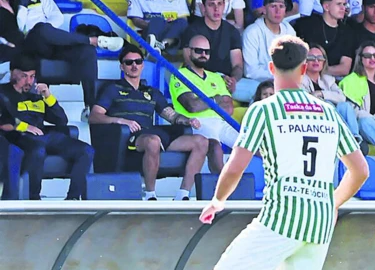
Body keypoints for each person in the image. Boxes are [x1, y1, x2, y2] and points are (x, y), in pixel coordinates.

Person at [177, 35, 367, 270]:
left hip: (282, 214)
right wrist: (330, 204)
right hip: (318, 222)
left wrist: (218, 200)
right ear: (304, 69)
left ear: (270, 69)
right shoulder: (327, 111)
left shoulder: (264, 110)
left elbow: (235, 166)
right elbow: (360, 170)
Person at [91, 43, 207, 201]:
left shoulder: (151, 92)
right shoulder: (112, 88)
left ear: (143, 65)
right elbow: (95, 116)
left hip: (153, 132)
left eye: (138, 62)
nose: (134, 66)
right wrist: (119, 120)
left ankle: (183, 194)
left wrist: (187, 120)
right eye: (129, 62)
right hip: (127, 137)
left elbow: (171, 115)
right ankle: (150, 194)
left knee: (201, 141)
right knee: (153, 141)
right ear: (121, 67)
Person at [0, 0, 118, 111]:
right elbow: (20, 29)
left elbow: (57, 16)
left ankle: (90, 106)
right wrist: (20, 0)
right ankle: (91, 39)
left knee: (87, 52)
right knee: (40, 29)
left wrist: (48, 32)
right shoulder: (5, 3)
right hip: (28, 44)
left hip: (51, 39)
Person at [0, 55, 93, 200]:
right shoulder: (3, 92)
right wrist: (24, 126)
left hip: (44, 135)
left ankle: (72, 199)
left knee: (86, 150)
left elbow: (61, 120)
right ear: (13, 73)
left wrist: (48, 96)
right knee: (38, 149)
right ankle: (34, 199)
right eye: (24, 76)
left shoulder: (37, 95)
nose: (29, 81)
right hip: (18, 137)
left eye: (32, 76)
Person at [169, 33, 240, 172]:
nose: (203, 54)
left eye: (206, 52)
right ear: (189, 51)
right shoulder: (180, 74)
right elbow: (192, 106)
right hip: (195, 123)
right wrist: (216, 99)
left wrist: (204, 101)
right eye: (198, 51)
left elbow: (229, 108)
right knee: (215, 148)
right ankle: (222, 190)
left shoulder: (217, 77)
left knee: (251, 145)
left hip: (220, 122)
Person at [185, 0, 254, 102]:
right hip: (203, 81)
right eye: (211, 5)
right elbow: (190, 64)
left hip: (227, 82)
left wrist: (233, 80)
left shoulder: (232, 31)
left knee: (261, 91)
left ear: (224, 6)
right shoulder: (193, 30)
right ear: (203, 8)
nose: (216, 9)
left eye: (220, 4)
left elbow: (237, 65)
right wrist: (218, 78)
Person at [292, 0, 355, 78]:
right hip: (306, 76)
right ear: (326, 7)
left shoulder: (347, 31)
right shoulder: (306, 25)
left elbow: (344, 68)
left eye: (344, 4)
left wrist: (319, 70)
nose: (343, 8)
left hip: (333, 79)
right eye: (338, 4)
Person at [242, 0, 297, 86]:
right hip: (257, 82)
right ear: (264, 9)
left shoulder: (289, 30)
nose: (278, 11)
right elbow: (250, 71)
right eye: (273, 6)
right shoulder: (252, 32)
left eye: (281, 6)